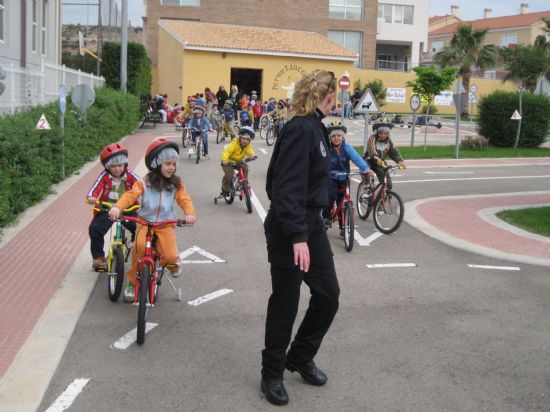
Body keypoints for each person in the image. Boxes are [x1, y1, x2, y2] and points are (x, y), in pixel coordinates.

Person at [261, 70, 338, 406]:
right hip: (291, 231)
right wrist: (296, 235)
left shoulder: (316, 126)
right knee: (286, 302)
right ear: (330, 97)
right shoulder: (299, 129)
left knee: (328, 295)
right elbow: (284, 186)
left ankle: (300, 356)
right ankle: (271, 375)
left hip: (311, 226)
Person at [108, 139, 196, 301]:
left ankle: (172, 262)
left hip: (165, 224)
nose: (171, 167)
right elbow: (130, 195)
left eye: (174, 164)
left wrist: (189, 213)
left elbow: (184, 199)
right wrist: (117, 207)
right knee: (139, 248)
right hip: (145, 223)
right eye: (167, 163)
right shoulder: (144, 182)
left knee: (169, 257)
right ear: (156, 163)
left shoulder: (176, 183)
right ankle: (133, 282)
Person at [87, 143, 139, 271]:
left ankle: (136, 245)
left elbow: (141, 185)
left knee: (139, 227)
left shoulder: (130, 176)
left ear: (125, 165)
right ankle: (98, 257)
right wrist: (91, 197)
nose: (117, 169)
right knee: (95, 228)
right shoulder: (104, 176)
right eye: (113, 166)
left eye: (120, 166)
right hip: (107, 209)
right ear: (107, 166)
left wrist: (148, 193)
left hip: (128, 209)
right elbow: (95, 188)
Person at [322, 121, 373, 236]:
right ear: (329, 137)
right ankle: (325, 217)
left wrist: (366, 168)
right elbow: (320, 161)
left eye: (339, 135)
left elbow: (357, 159)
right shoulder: (326, 147)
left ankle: (343, 226)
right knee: (329, 197)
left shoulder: (347, 147)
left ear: (343, 136)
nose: (336, 138)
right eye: (333, 136)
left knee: (342, 201)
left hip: (344, 177)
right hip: (331, 177)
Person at [363, 118, 406, 190]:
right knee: (366, 170)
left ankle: (383, 198)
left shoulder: (388, 142)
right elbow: (371, 148)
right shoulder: (372, 138)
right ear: (376, 132)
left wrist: (400, 161)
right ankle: (366, 187)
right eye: (381, 133)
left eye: (385, 133)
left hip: (380, 163)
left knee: (388, 184)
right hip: (369, 161)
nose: (383, 135)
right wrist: (375, 157)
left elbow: (393, 152)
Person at [220, 126, 257, 196]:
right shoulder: (233, 144)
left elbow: (249, 151)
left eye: (247, 139)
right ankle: (225, 189)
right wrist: (224, 160)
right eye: (243, 138)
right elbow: (226, 152)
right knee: (229, 175)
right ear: (239, 137)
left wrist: (252, 155)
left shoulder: (247, 145)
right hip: (228, 162)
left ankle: (243, 184)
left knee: (245, 168)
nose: (245, 141)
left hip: (238, 161)